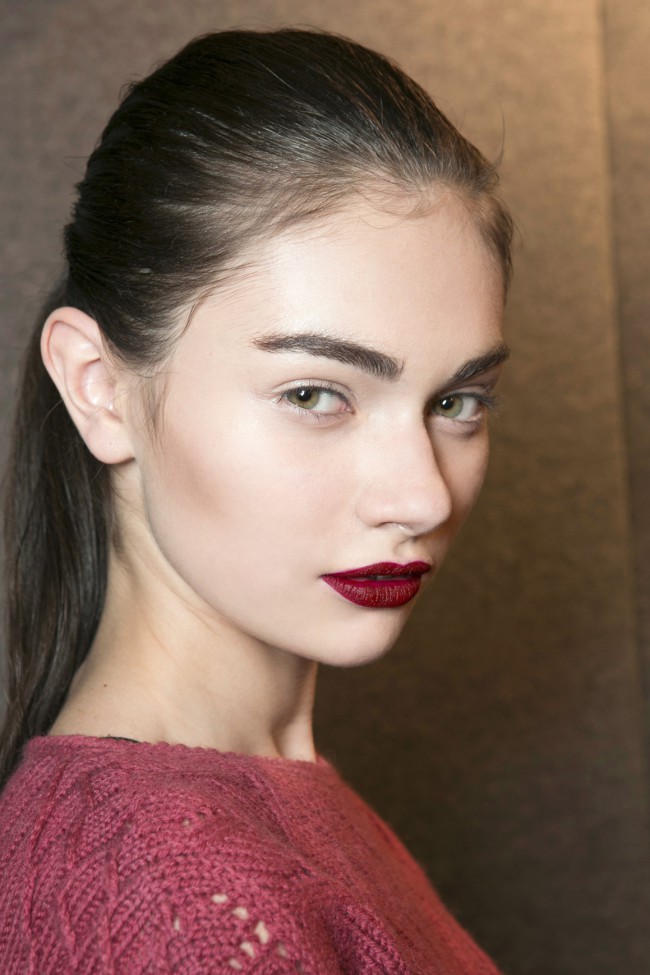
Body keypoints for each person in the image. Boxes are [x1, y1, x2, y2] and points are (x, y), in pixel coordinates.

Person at [0, 28, 512, 974]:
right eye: (315, 393)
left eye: (456, 402)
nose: (421, 496)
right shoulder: (169, 899)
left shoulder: (262, 807)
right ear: (100, 388)